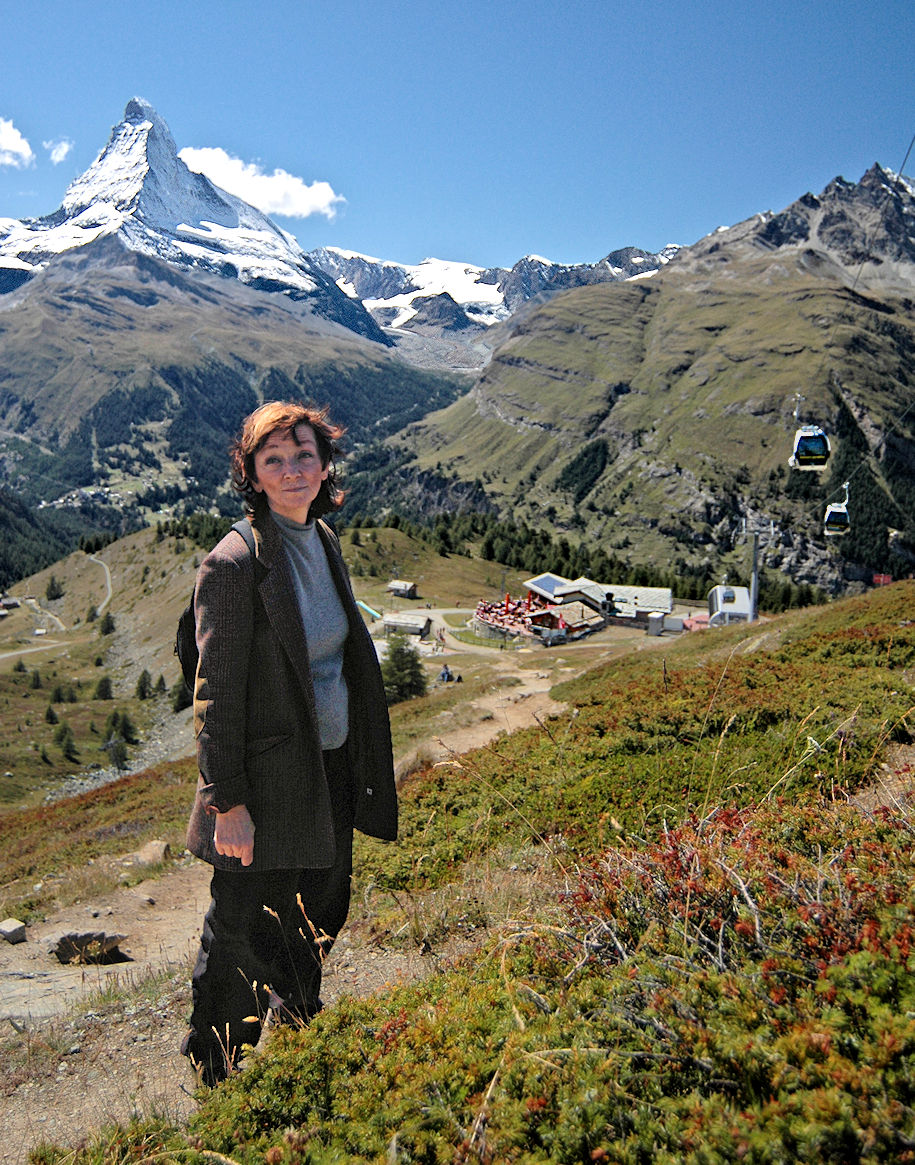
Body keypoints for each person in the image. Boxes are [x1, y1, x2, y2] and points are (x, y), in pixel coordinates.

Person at [180, 401, 397, 1086]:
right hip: (265, 786)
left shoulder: (322, 538)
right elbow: (215, 695)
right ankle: (219, 1071)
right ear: (251, 474)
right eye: (273, 459)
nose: (292, 469)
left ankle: (301, 1043)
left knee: (317, 911)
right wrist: (227, 804)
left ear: (325, 464)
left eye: (304, 454)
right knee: (242, 928)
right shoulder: (234, 563)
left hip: (330, 769)